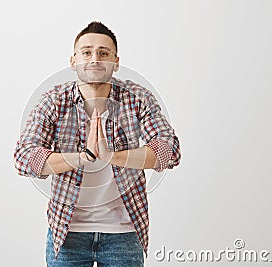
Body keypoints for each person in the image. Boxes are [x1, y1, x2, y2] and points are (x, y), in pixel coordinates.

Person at [13, 21, 181, 267]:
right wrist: (82, 157)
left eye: (103, 53)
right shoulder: (53, 100)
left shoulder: (137, 98)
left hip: (123, 234)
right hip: (66, 234)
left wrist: (113, 156)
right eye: (87, 52)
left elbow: (170, 151)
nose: (94, 59)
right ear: (73, 61)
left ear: (115, 62)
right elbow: (24, 158)